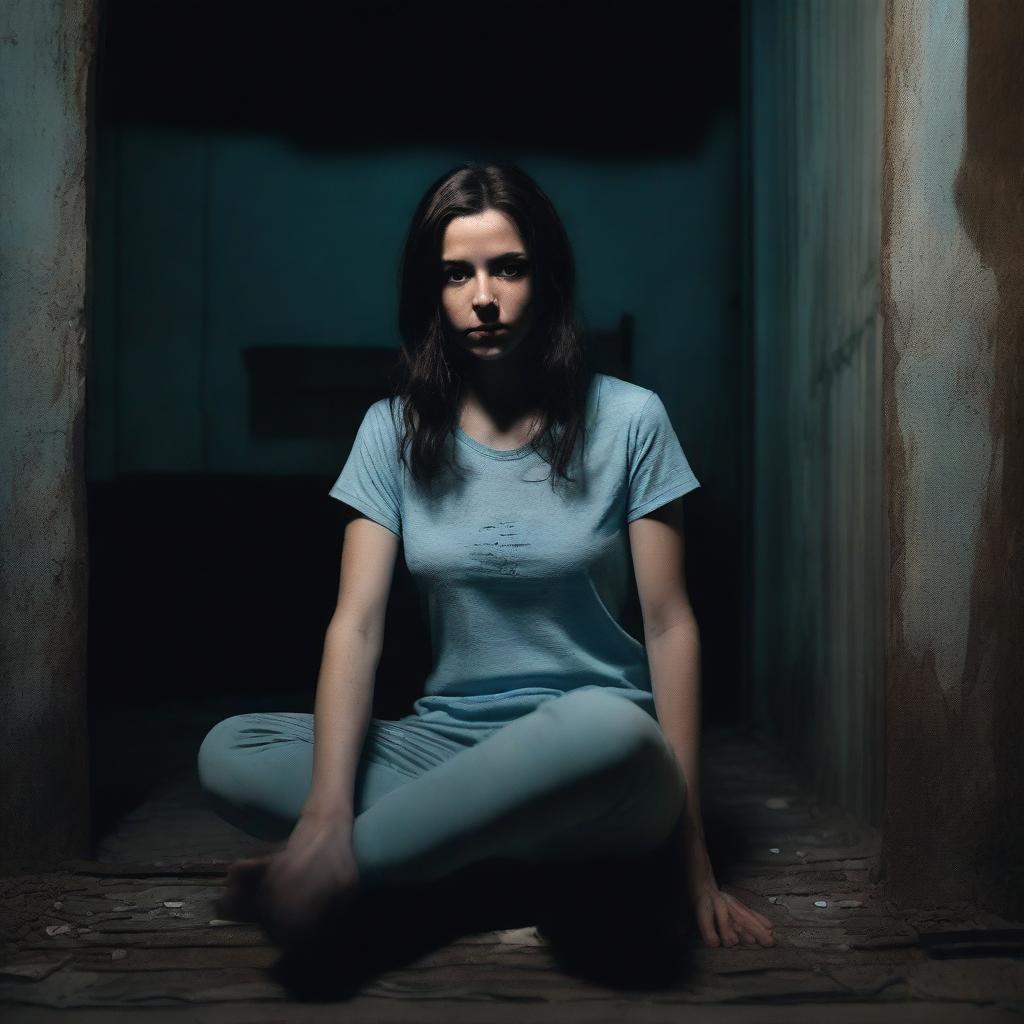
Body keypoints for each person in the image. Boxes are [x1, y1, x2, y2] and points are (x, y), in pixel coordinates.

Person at [197, 162, 775, 954]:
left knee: (612, 730)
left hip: (602, 762)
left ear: (546, 277)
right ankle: (440, 851)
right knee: (229, 753)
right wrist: (324, 809)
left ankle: (346, 868)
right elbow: (355, 627)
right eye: (456, 274)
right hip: (447, 748)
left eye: (508, 267)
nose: (483, 296)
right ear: (430, 291)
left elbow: (671, 626)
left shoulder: (633, 421)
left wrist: (696, 861)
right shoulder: (390, 432)